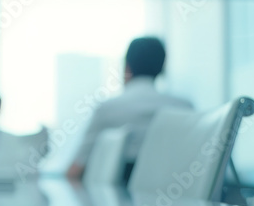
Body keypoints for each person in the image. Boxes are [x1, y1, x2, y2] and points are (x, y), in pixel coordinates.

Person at [66, 37, 192, 182]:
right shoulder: (185, 107)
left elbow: (77, 167)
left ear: (127, 67)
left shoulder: (108, 108)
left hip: (119, 195)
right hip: (173, 190)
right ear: (162, 67)